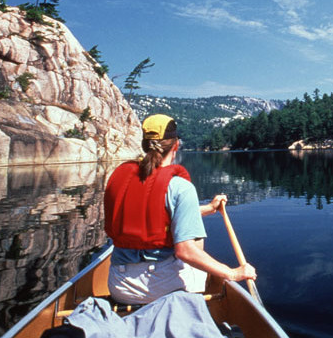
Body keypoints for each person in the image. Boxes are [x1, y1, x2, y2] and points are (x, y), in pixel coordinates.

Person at [104, 114, 256, 304]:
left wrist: (208, 208)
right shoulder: (180, 187)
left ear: (144, 145)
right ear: (176, 145)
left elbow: (152, 214)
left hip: (119, 285)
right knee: (196, 239)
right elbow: (185, 251)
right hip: (162, 287)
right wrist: (233, 273)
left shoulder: (120, 179)